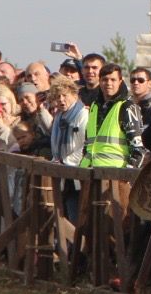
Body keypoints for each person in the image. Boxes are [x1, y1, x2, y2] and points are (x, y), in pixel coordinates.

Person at [81, 64, 145, 169]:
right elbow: (88, 142)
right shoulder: (94, 106)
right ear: (99, 81)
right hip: (89, 172)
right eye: (105, 79)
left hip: (115, 176)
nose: (108, 83)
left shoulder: (127, 107)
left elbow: (139, 149)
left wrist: (126, 176)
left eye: (113, 80)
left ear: (120, 81)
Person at [48, 77, 87, 222]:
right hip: (63, 174)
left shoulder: (82, 114)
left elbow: (86, 144)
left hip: (77, 174)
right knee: (62, 215)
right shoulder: (59, 117)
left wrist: (66, 161)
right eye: (57, 96)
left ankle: (76, 244)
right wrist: (55, 161)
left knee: (75, 215)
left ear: (74, 95)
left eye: (65, 95)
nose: (61, 100)